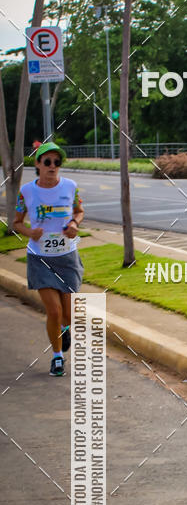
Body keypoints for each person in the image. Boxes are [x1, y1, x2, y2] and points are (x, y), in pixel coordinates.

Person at [12, 142, 84, 376]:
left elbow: (79, 211)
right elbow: (16, 222)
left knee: (68, 313)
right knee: (53, 310)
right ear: (38, 164)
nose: (53, 166)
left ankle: (65, 329)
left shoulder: (70, 187)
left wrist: (74, 223)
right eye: (47, 162)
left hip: (66, 256)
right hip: (40, 258)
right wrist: (29, 232)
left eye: (57, 162)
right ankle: (57, 357)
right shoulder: (27, 191)